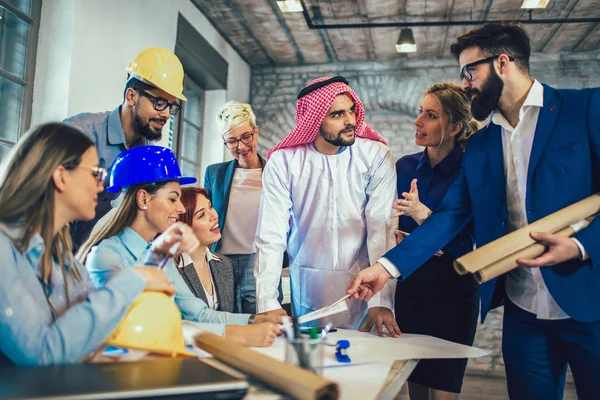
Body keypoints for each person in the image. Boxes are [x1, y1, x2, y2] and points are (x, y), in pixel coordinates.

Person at [347, 22, 600, 400]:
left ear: (502, 62)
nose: (465, 84)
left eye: (470, 72)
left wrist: (581, 246)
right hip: (523, 310)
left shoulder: (584, 108)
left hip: (589, 299)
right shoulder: (481, 145)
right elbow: (451, 214)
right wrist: (385, 268)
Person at [0, 123, 194, 366]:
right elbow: (42, 353)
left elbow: (97, 324)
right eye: (95, 174)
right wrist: (136, 278)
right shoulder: (4, 249)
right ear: (61, 176)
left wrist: (156, 257)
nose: (101, 186)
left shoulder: (59, 254)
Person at [80, 147, 279, 347]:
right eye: (173, 199)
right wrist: (237, 334)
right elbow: (145, 327)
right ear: (143, 199)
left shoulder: (159, 257)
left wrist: (255, 320)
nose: (181, 208)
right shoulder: (107, 256)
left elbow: (198, 314)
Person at [255, 76, 400, 334]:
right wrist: (266, 301)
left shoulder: (375, 155)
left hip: (364, 287)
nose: (351, 121)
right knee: (311, 367)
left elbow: (383, 229)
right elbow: (271, 235)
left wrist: (381, 301)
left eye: (352, 111)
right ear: (314, 119)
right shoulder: (284, 161)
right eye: (337, 114)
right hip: (308, 286)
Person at [392, 83, 480, 400]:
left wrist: (423, 215)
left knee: (444, 389)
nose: (418, 122)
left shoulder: (472, 170)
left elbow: (466, 242)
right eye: (420, 112)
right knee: (415, 385)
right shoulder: (404, 167)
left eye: (430, 116)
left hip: (454, 291)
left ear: (455, 127)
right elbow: (397, 229)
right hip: (411, 287)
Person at [63, 47, 187, 251]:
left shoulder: (147, 155)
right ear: (131, 96)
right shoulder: (81, 133)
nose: (166, 115)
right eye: (159, 103)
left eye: (171, 107)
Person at [167, 187, 280, 346]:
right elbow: (195, 319)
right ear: (183, 226)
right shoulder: (169, 267)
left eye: (210, 207)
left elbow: (231, 316)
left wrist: (257, 319)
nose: (214, 215)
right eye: (202, 215)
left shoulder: (225, 265)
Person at [204, 101, 282, 314]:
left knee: (258, 315)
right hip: (221, 259)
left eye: (245, 137)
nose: (241, 147)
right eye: (231, 141)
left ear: (255, 132)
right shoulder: (214, 174)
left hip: (257, 259)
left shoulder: (276, 174)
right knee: (224, 315)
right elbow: (205, 215)